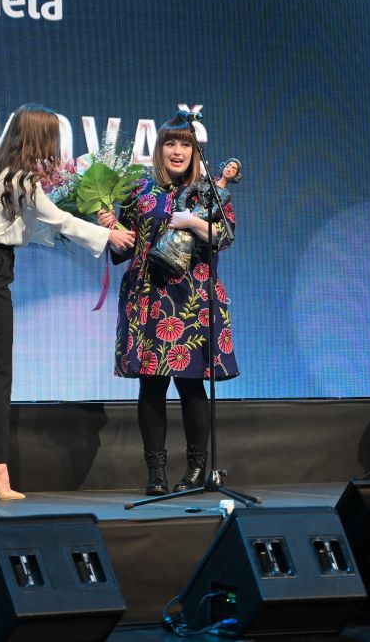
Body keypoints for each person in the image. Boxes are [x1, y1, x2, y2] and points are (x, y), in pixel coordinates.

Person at [0, 104, 135, 500]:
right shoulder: (22, 179)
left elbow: (27, 227)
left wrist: (81, 229)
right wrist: (109, 235)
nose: (55, 148)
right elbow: (57, 220)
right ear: (38, 138)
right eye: (52, 139)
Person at [99, 114, 240, 496]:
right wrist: (109, 228)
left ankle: (196, 470)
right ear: (159, 148)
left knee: (192, 386)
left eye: (185, 144)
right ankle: (156, 473)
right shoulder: (139, 190)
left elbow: (225, 235)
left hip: (192, 299)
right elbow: (124, 247)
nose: (177, 151)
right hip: (148, 296)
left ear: (195, 150)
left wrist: (191, 221)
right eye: (170, 144)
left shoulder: (209, 190)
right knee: (152, 386)